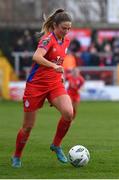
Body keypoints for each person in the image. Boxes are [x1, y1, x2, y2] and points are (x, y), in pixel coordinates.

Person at [11, 9, 74, 168]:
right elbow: (37, 57)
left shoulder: (66, 41)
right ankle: (17, 156)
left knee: (69, 113)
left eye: (69, 28)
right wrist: (54, 66)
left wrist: (60, 75)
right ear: (54, 26)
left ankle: (56, 145)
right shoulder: (47, 40)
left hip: (54, 84)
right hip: (36, 86)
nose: (66, 31)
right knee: (28, 126)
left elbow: (59, 61)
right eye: (63, 28)